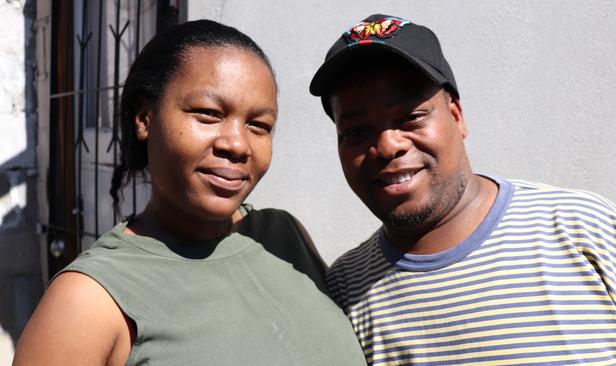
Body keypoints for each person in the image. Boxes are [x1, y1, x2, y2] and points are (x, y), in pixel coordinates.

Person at [14, 19, 366, 365]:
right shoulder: (89, 299)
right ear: (144, 118)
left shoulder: (282, 236)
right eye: (209, 113)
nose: (238, 144)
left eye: (259, 125)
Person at [309, 13, 616, 365]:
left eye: (411, 117)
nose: (388, 145)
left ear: (456, 117)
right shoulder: (344, 292)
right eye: (356, 131)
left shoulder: (586, 229)